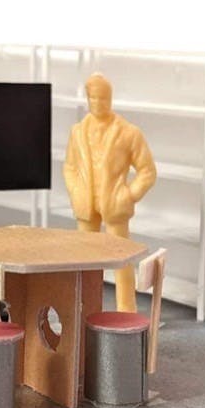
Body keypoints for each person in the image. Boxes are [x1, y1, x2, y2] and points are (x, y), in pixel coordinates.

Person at [63, 73, 157, 312]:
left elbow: (147, 171)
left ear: (110, 98)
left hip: (115, 205)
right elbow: (70, 167)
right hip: (86, 204)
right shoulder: (78, 132)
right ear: (88, 99)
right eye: (93, 98)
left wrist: (128, 195)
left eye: (103, 98)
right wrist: (75, 191)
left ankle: (126, 310)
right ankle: (85, 309)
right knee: (85, 260)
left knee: (122, 259)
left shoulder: (128, 132)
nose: (98, 103)